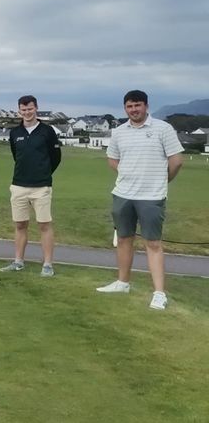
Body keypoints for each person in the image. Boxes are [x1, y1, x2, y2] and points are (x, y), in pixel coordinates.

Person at [97, 90, 184, 310]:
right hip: (123, 194)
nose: (133, 110)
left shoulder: (163, 129)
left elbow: (176, 161)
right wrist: (128, 173)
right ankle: (122, 283)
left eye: (137, 105)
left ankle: (159, 293)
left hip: (152, 196)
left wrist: (163, 180)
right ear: (125, 108)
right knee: (124, 239)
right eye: (129, 106)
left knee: (153, 243)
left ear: (146, 106)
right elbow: (112, 159)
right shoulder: (119, 132)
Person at [0, 95, 62, 276]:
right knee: (20, 225)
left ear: (36, 108)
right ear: (19, 111)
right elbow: (16, 155)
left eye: (30, 109)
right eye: (24, 109)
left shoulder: (47, 131)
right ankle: (18, 262)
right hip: (18, 185)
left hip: (41, 187)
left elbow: (56, 157)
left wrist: (43, 173)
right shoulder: (15, 133)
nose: (27, 112)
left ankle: (48, 265)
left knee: (44, 225)